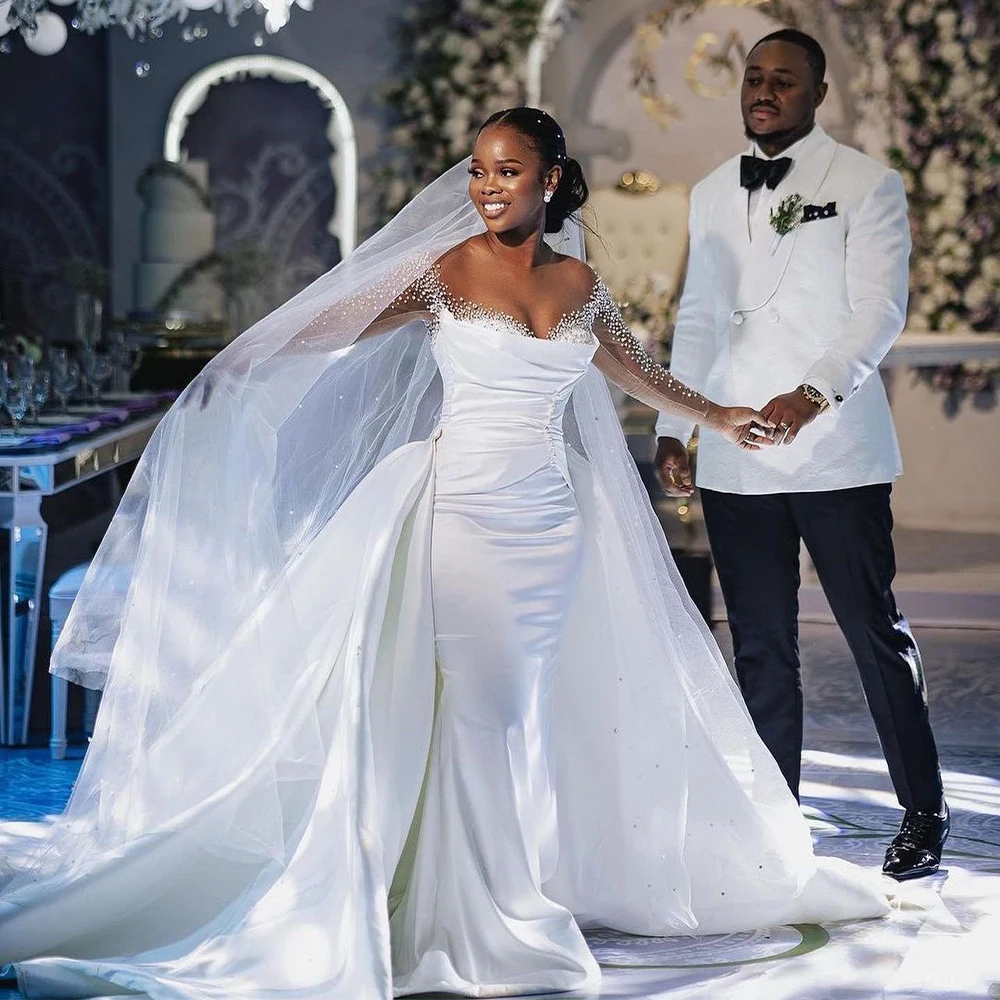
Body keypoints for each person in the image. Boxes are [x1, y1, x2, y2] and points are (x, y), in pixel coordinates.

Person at [0, 108, 887, 1000]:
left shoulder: (579, 281)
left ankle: (495, 889)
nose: (488, 187)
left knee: (517, 715)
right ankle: (480, 917)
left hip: (551, 526)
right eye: (478, 171)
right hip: (461, 514)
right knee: (480, 710)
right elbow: (338, 325)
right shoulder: (443, 272)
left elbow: (636, 373)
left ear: (549, 180)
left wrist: (724, 417)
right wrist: (243, 363)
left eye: (508, 172)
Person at [654, 29, 949, 882]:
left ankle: (923, 813)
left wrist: (812, 393)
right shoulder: (712, 192)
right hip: (737, 453)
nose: (765, 91)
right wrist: (679, 424)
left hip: (836, 453)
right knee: (759, 645)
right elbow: (701, 316)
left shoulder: (865, 184)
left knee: (872, 634)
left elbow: (877, 313)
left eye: (784, 80)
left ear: (818, 92)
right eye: (754, 78)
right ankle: (774, 819)